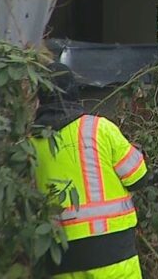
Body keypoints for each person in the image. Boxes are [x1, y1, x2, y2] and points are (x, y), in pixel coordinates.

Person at [31, 62, 150, 278]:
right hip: (114, 254)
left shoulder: (31, 145)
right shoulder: (99, 129)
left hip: (62, 259)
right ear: (74, 92)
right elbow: (139, 178)